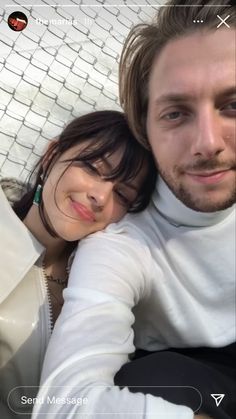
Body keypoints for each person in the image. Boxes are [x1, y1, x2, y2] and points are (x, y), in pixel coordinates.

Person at [32, 1, 235, 419]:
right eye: (175, 113)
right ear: (145, 129)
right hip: (198, 382)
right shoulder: (122, 242)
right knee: (155, 379)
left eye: (233, 105)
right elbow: (65, 404)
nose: (208, 142)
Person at [0, 110, 156, 419]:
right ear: (51, 155)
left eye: (122, 194)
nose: (100, 196)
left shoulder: (107, 283)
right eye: (93, 168)